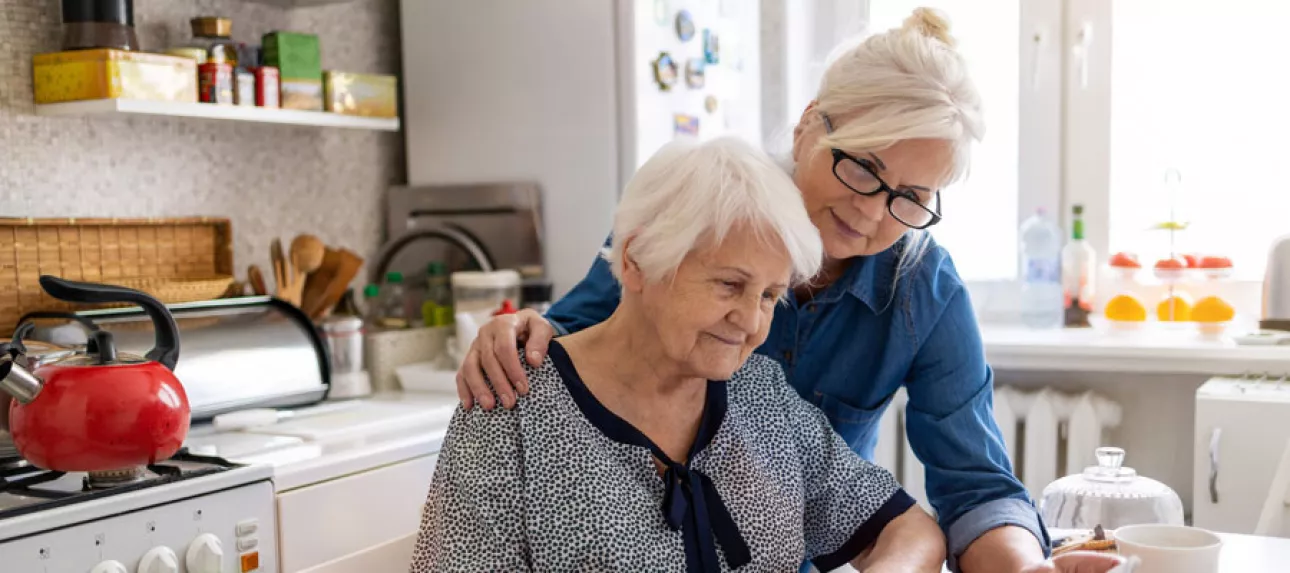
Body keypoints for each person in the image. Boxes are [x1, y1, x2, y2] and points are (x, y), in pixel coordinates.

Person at [455, 8, 1125, 573]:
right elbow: (569, 345)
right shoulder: (702, 212)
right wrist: (519, 330)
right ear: (810, 125)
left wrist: (1026, 567)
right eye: (864, 167)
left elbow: (973, 486)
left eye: (911, 198)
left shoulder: (924, 288)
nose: (872, 211)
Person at [411, 137, 947, 572]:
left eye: (768, 295)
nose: (751, 321)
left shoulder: (760, 395)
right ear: (639, 260)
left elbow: (908, 531)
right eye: (728, 285)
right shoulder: (513, 405)